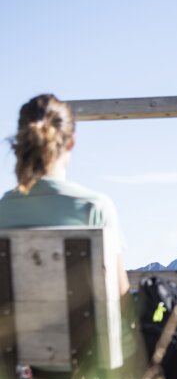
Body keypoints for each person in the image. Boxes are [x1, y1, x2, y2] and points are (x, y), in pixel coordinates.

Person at [0, 94, 137, 363]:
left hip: (9, 377)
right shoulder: (95, 209)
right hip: (83, 376)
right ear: (71, 142)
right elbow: (121, 303)